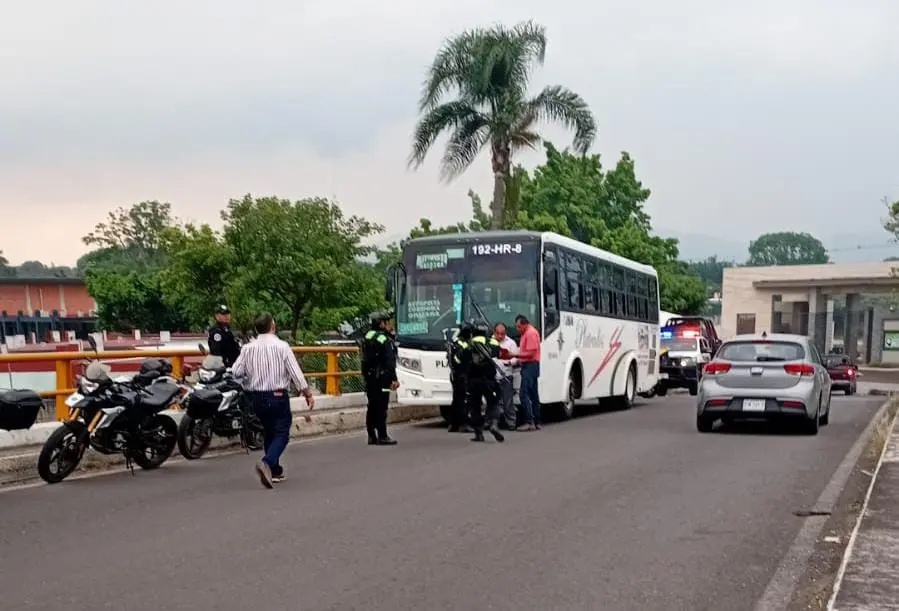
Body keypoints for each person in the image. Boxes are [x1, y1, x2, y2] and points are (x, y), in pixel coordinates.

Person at [232, 313, 314, 489]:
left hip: (256, 397)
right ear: (273, 327)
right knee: (282, 432)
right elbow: (295, 372)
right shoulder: (282, 346)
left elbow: (236, 371)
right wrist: (307, 392)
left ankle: (275, 471)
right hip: (277, 396)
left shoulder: (247, 348)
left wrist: (249, 378)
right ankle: (267, 462)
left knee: (269, 431)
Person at [361, 311, 399, 446]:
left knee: (372, 405)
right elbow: (389, 360)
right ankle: (382, 435)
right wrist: (394, 378)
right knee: (382, 406)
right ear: (381, 323)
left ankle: (371, 435)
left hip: (369, 377)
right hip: (382, 377)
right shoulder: (384, 338)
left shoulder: (367, 337)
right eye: (386, 322)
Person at [466, 321, 505, 443]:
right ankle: (494, 424)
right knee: (494, 402)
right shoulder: (493, 342)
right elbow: (498, 354)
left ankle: (479, 434)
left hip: (473, 381)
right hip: (489, 380)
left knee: (475, 406)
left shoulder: (469, 344)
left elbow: (464, 360)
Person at [514, 314, 542, 431]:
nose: (517, 329)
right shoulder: (526, 333)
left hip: (530, 365)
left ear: (525, 324)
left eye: (519, 326)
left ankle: (529, 421)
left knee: (524, 394)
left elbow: (531, 353)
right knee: (533, 394)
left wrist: (515, 355)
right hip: (530, 365)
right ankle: (537, 421)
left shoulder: (530, 333)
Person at [446, 323, 473, 433]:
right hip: (462, 374)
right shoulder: (464, 344)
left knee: (456, 399)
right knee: (464, 400)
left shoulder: (455, 342)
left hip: (455, 374)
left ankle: (454, 424)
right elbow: (459, 359)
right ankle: (463, 423)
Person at [493, 322, 519, 430]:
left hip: (506, 376)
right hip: (493, 377)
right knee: (494, 402)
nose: (500, 336)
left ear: (505, 333)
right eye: (498, 333)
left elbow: (516, 358)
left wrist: (510, 362)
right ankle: (494, 424)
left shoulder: (511, 343)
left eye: (502, 333)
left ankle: (511, 423)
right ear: (494, 332)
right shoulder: (490, 342)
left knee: (508, 402)